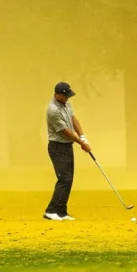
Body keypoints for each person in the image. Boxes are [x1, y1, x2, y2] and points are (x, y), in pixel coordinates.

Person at [43, 81, 91, 221]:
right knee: (64, 179)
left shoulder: (66, 103)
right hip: (57, 146)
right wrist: (82, 144)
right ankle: (51, 211)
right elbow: (66, 132)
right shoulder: (52, 110)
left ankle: (62, 211)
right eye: (65, 96)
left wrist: (83, 136)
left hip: (67, 146)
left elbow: (73, 119)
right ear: (57, 95)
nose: (67, 98)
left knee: (68, 180)